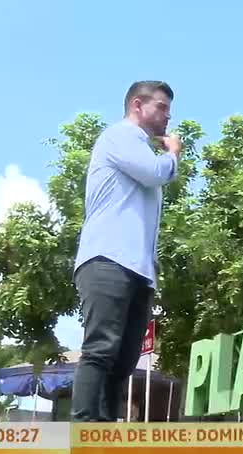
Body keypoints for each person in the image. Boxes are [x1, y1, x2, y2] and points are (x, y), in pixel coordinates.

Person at [70, 80, 182, 422]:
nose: (167, 116)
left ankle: (104, 430)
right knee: (101, 347)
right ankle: (84, 427)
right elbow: (153, 173)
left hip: (138, 269)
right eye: (161, 107)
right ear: (137, 105)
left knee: (124, 356)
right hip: (107, 259)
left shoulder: (139, 147)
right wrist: (172, 152)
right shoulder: (119, 136)